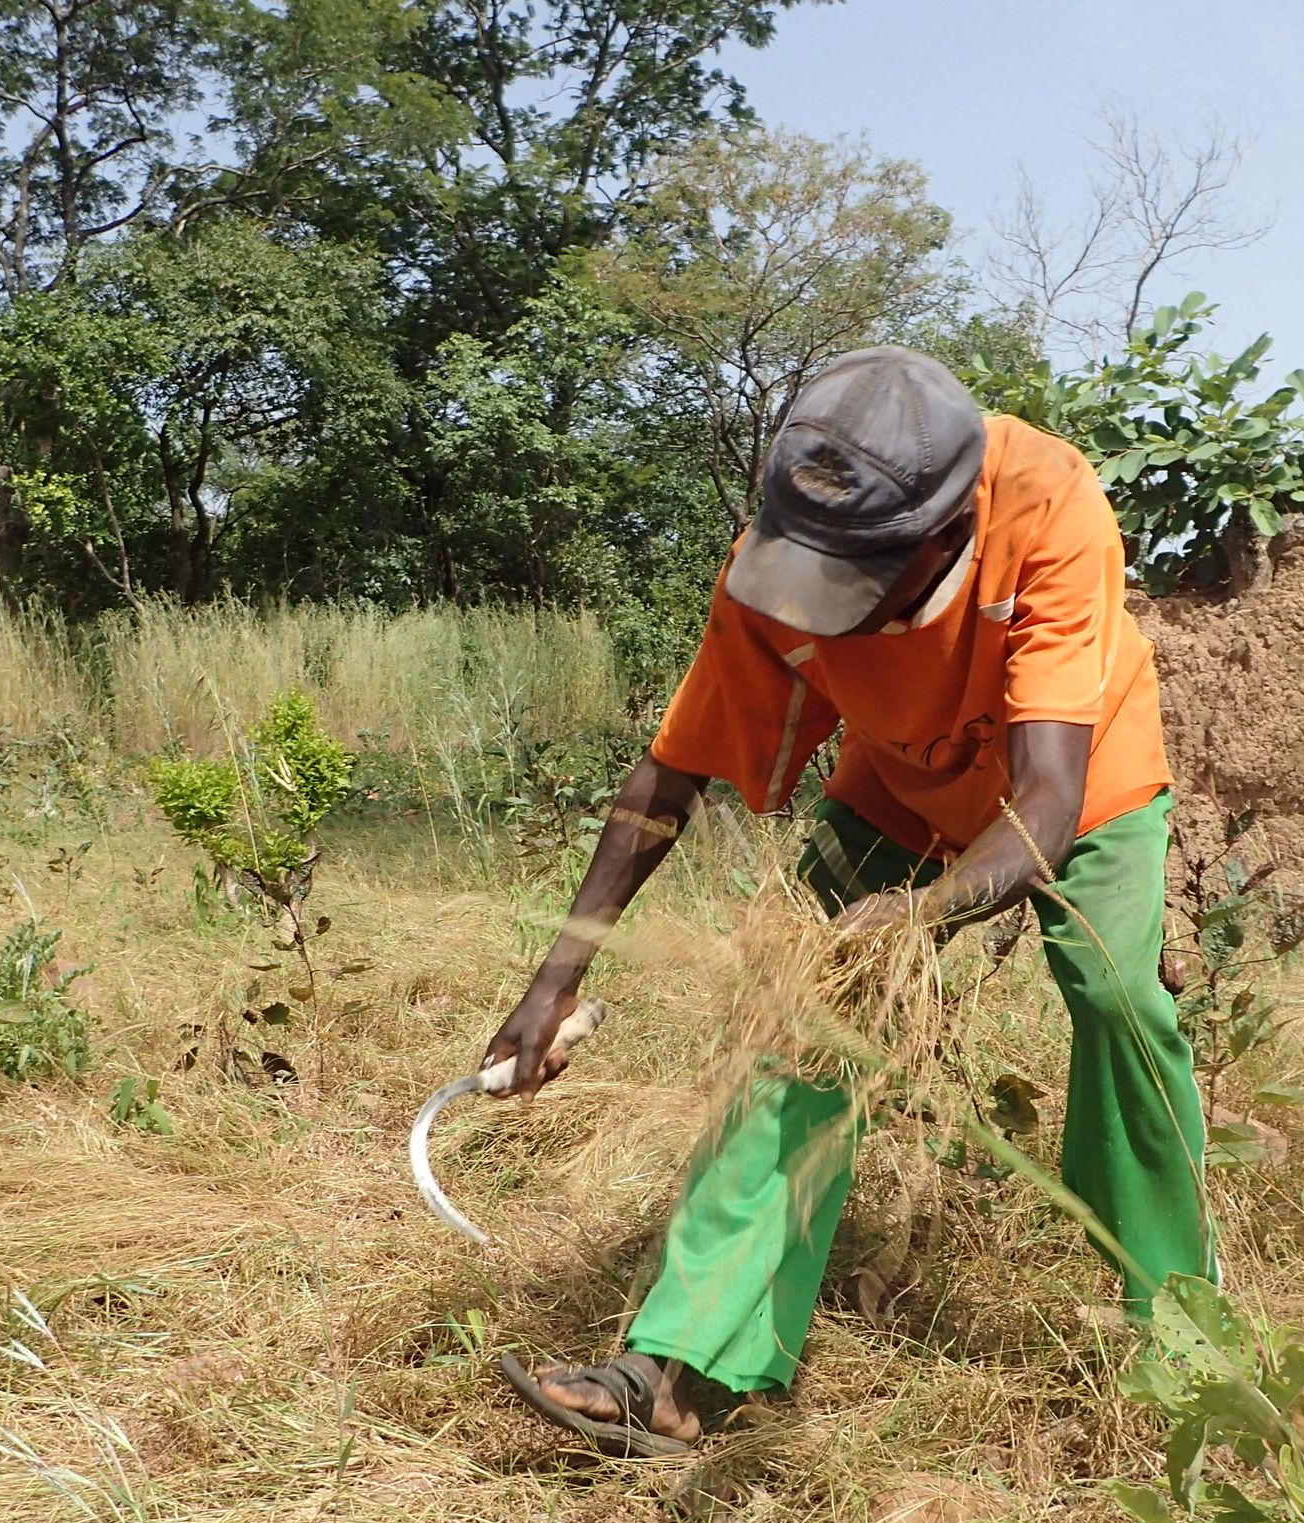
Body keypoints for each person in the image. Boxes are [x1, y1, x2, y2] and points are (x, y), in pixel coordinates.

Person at [486, 345, 1214, 1457]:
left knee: (1118, 1005)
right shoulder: (783, 559)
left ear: (938, 536)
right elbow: (666, 776)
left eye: (857, 588)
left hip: (1077, 781)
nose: (826, 614)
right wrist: (555, 978)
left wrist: (913, 923)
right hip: (900, 787)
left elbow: (1045, 810)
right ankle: (682, 1371)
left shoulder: (1046, 504)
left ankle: (1183, 1336)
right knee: (795, 1027)